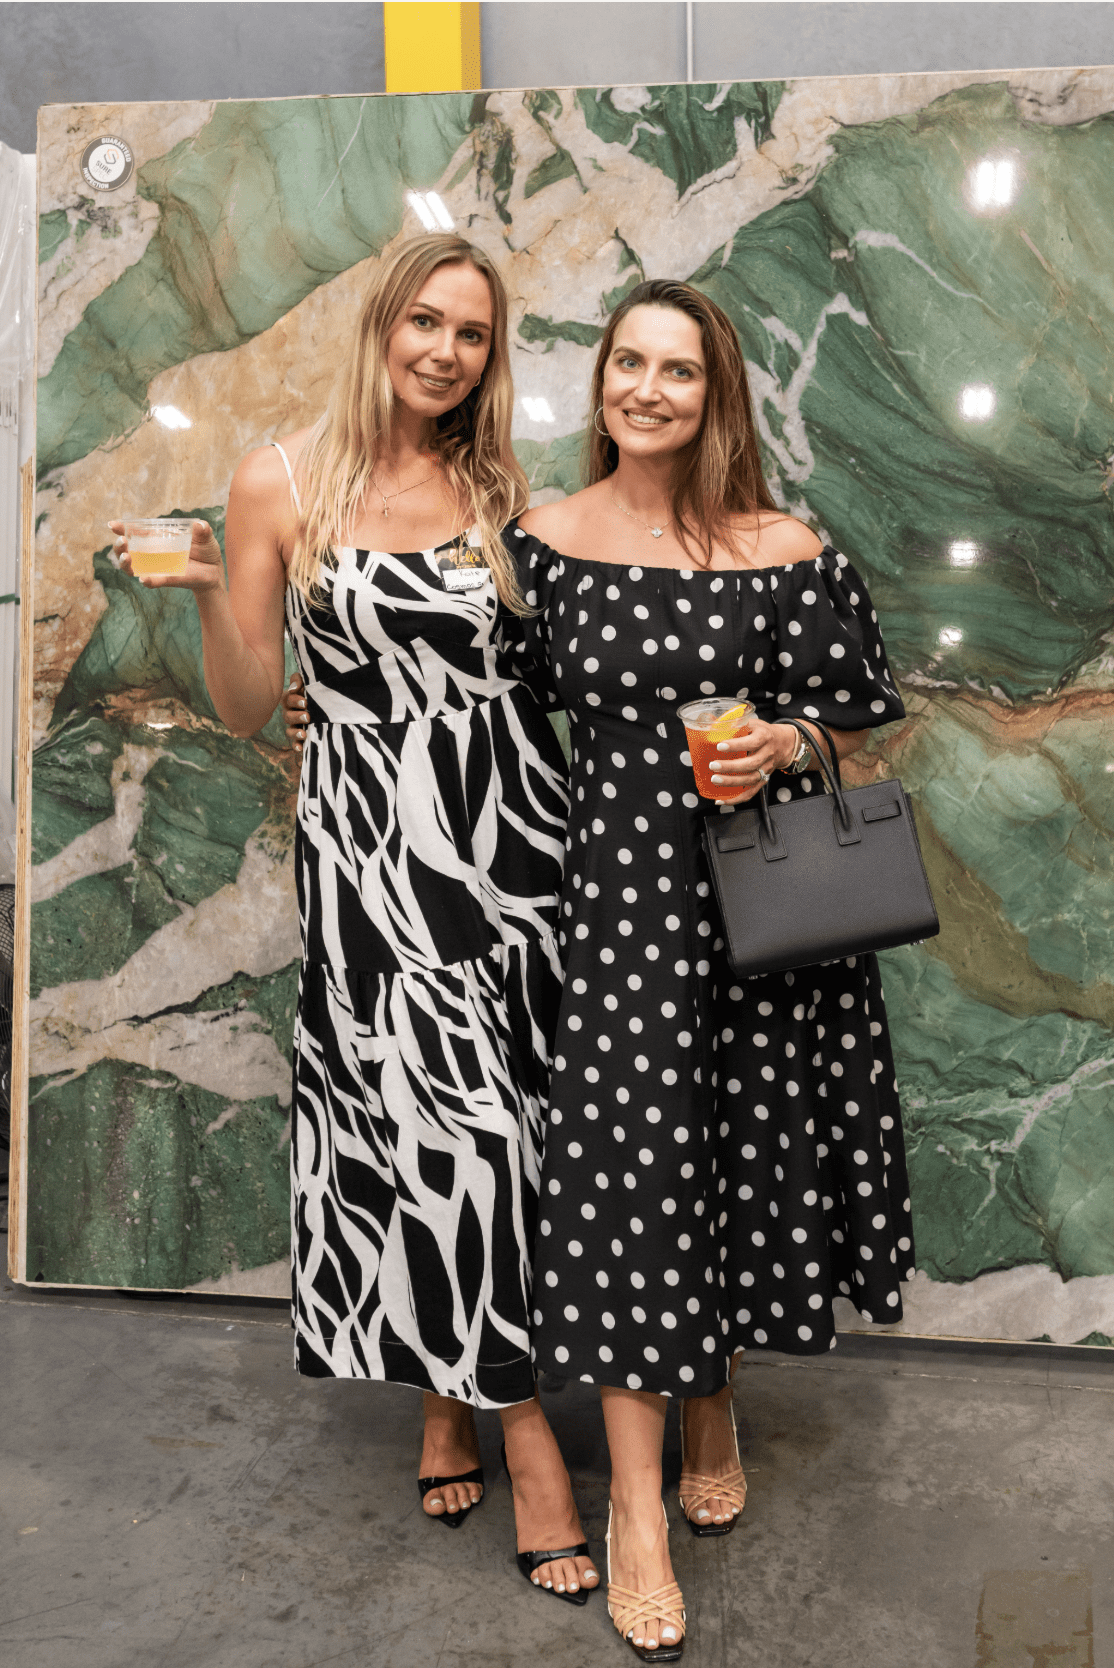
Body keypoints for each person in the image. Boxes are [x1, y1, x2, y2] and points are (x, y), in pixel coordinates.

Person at [112, 232, 600, 1605]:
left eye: (472, 335)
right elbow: (246, 707)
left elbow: (548, 679)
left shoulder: (502, 489)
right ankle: (525, 1439)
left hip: (515, 856)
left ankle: (447, 1395)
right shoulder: (278, 480)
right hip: (376, 861)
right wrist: (206, 589)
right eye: (426, 321)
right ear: (382, 322)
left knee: (502, 1138)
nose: (446, 352)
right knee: (439, 1131)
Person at [507, 278, 914, 1661]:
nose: (648, 388)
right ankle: (636, 1512)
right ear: (601, 381)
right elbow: (491, 716)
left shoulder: (779, 547)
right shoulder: (542, 546)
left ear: (714, 393)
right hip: (612, 914)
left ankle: (712, 1401)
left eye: (677, 369)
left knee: (731, 1162)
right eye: (628, 362)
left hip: (752, 910)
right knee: (632, 1189)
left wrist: (784, 745)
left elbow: (845, 713)